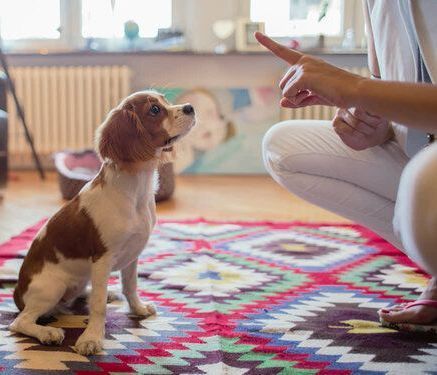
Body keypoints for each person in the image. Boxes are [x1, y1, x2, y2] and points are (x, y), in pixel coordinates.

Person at [256, 0, 437, 327]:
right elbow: (385, 96)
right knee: (282, 146)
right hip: (420, 162)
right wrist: (369, 124)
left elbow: (369, 88)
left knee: (426, 177)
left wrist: (355, 88)